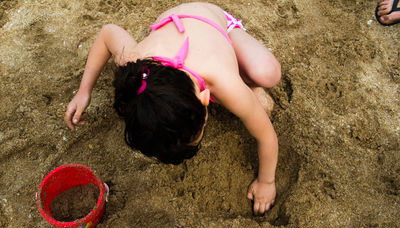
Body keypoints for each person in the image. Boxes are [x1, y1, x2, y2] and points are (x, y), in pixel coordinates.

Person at [64, 2, 281, 216]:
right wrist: (84, 91)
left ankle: (247, 74)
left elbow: (266, 136)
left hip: (215, 22)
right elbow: (107, 33)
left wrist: (266, 181)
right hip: (176, 28)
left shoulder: (223, 81)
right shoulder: (135, 70)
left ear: (207, 97)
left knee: (267, 75)